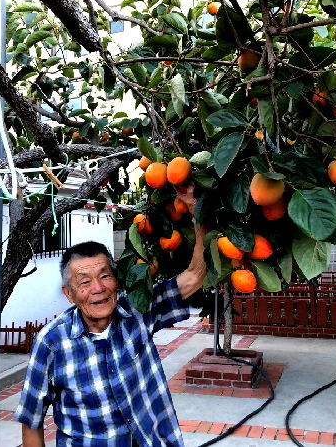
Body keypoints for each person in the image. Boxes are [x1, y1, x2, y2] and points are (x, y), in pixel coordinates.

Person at [14, 184, 206, 447]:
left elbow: (194, 276)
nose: (98, 289)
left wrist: (198, 213)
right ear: (68, 294)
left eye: (105, 276)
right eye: (84, 282)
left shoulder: (137, 311)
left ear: (117, 280)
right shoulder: (51, 342)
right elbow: (31, 420)